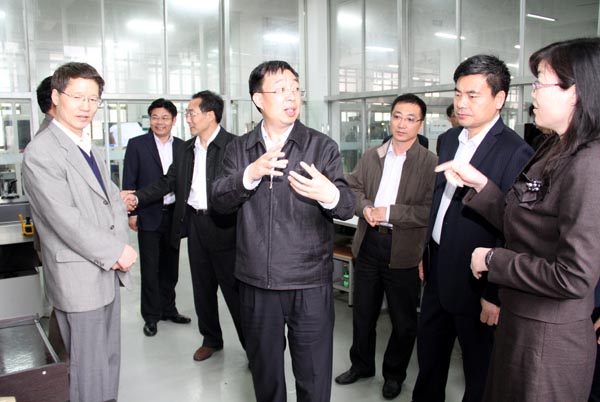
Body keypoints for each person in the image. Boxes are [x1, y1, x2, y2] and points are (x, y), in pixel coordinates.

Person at [438, 37, 600, 402]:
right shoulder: (556, 147)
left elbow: (574, 276)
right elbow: (527, 221)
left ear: (576, 92)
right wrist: (480, 185)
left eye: (541, 83)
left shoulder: (590, 163)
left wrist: (493, 260)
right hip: (521, 322)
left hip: (548, 339)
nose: (534, 94)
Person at [211, 60, 356, 402]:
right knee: (267, 376)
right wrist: (249, 175)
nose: (291, 96)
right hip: (257, 282)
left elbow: (347, 205)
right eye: (280, 89)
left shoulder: (321, 146)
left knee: (314, 377)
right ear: (258, 99)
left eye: (295, 88)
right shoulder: (239, 149)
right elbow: (219, 200)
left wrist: (331, 195)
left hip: (309, 282)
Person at [412, 54, 533, 402]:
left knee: (478, 370)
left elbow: (513, 228)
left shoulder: (516, 152)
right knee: (429, 357)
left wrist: (493, 294)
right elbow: (441, 202)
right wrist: (425, 251)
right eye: (457, 93)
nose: (461, 103)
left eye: (472, 95)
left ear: (499, 98)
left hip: (477, 277)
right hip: (437, 267)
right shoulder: (449, 140)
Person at [22, 62, 137, 402]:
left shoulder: (85, 144)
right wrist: (116, 251)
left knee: (108, 359)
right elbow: (63, 218)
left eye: (93, 99)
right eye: (77, 97)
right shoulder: (43, 151)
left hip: (105, 271)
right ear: (56, 97)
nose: (86, 106)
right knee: (87, 369)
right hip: (78, 277)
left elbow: (110, 199)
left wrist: (118, 248)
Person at [335, 93, 437, 400]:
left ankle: (394, 374)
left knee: (403, 321)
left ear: (421, 124)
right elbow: (353, 188)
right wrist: (366, 207)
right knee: (363, 312)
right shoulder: (372, 156)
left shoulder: (430, 163)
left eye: (410, 119)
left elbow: (428, 211)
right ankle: (361, 365)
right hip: (368, 243)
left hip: (403, 249)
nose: (402, 124)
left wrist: (390, 212)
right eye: (397, 116)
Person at [133, 91, 244, 361]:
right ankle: (211, 339)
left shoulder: (234, 146)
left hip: (226, 227)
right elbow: (167, 182)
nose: (188, 119)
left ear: (210, 115)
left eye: (192, 113)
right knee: (202, 288)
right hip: (196, 224)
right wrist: (137, 198)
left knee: (235, 291)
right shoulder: (186, 149)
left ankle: (253, 348)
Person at [122, 98, 189, 337]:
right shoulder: (137, 145)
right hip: (148, 213)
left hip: (174, 215)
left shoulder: (183, 147)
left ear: (174, 120)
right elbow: (129, 179)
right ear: (149, 119)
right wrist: (132, 213)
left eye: (165, 118)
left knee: (171, 268)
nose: (160, 122)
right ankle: (151, 316)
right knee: (150, 269)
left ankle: (169, 309)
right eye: (155, 117)